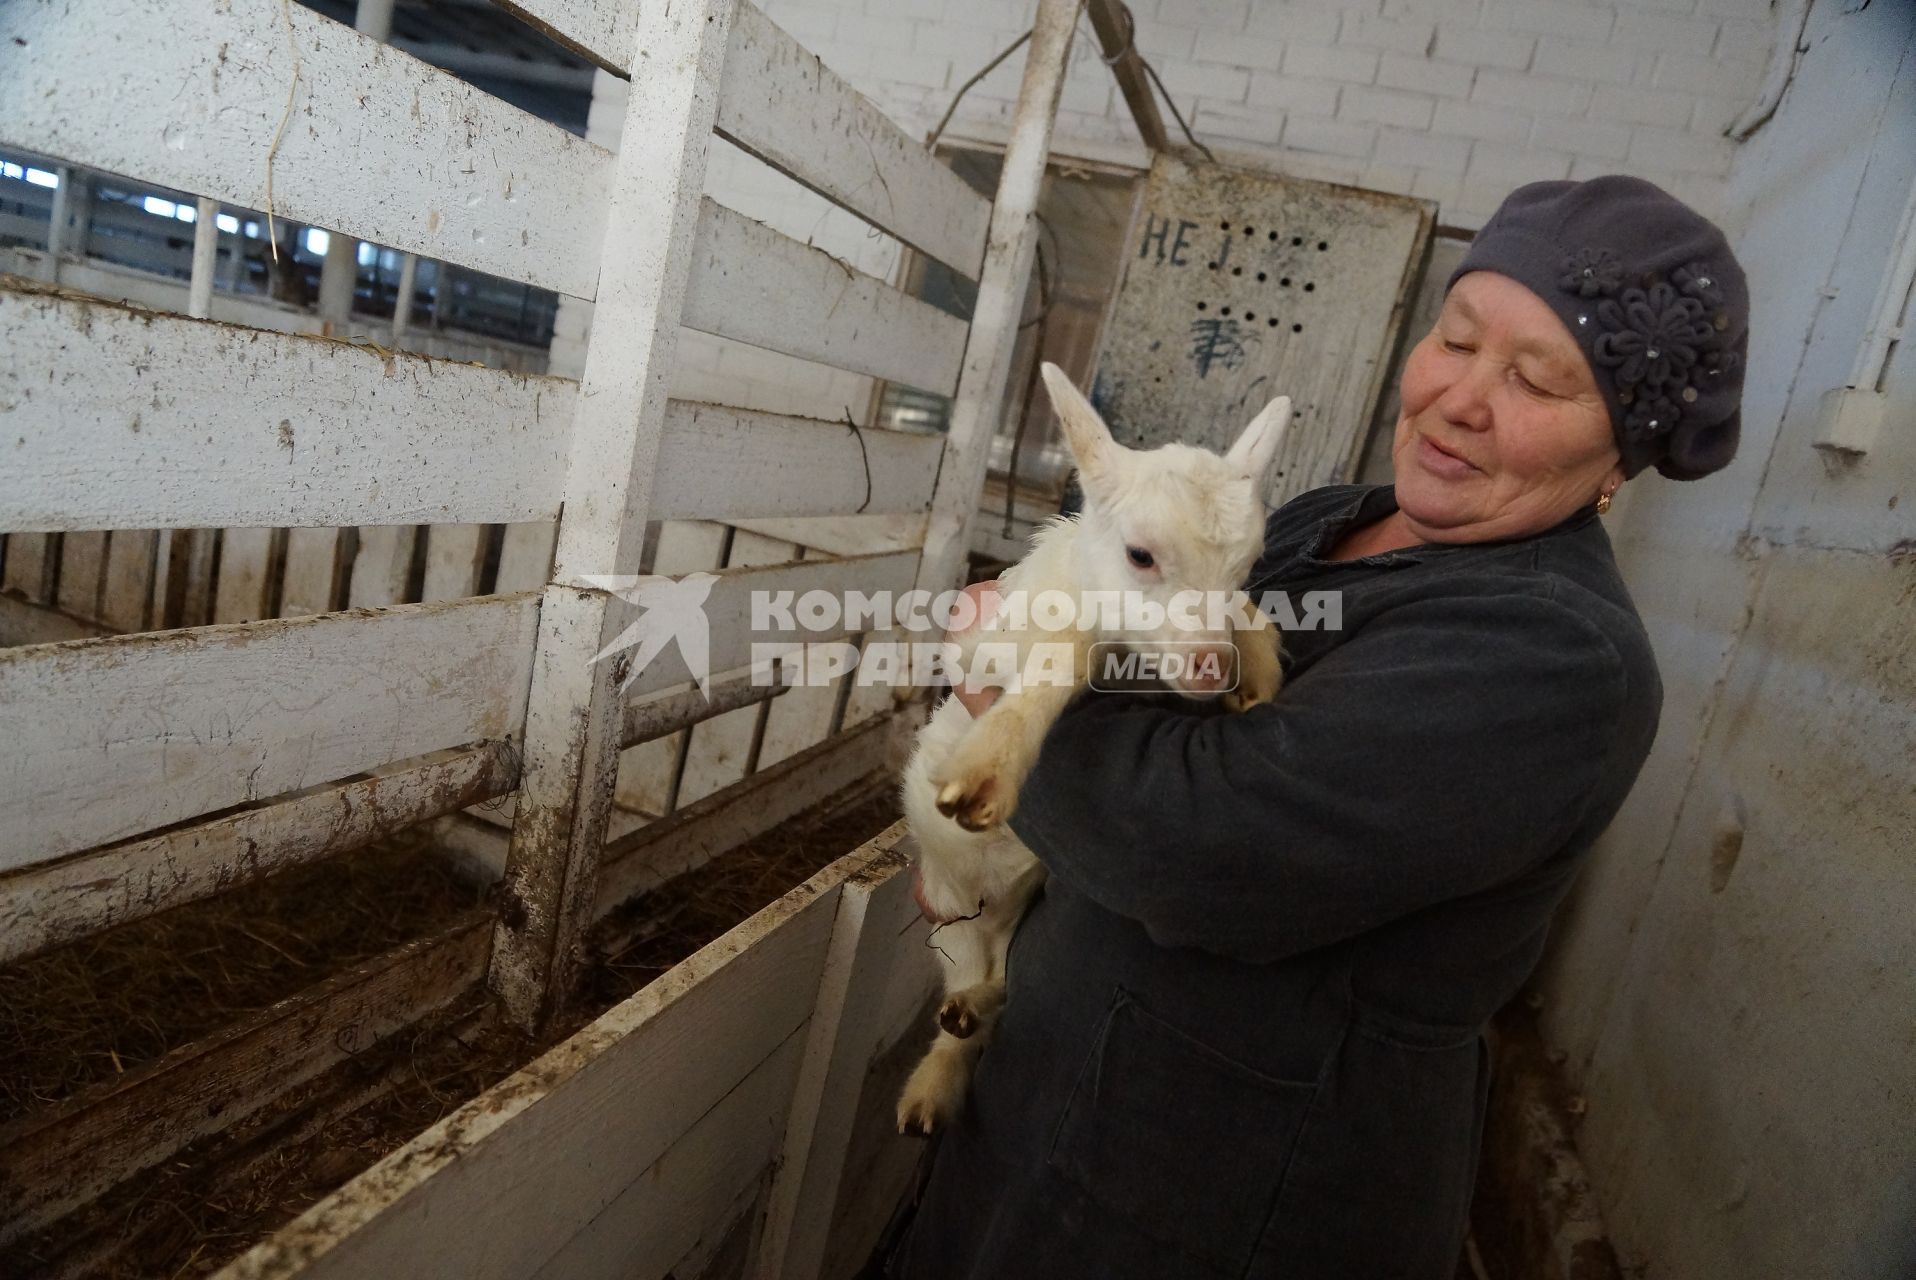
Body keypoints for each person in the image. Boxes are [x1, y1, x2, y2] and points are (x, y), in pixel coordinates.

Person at [881, 176, 1751, 1280]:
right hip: (1053, 1083)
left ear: (1619, 451)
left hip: (1222, 1183)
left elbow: (1197, 844)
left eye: (1534, 380)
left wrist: (994, 685)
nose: (1458, 399)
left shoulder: (1553, 657)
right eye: (1455, 338)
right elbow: (1130, 660)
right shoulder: (1316, 522)